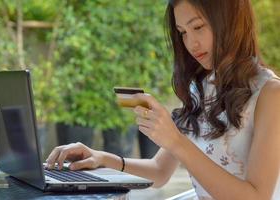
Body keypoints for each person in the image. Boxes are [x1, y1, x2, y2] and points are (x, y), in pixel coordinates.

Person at [46, 0, 280, 199]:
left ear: (231, 21)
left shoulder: (270, 94)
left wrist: (176, 141)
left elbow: (257, 196)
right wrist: (101, 157)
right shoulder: (202, 88)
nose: (191, 44)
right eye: (182, 32)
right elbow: (159, 171)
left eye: (197, 26)